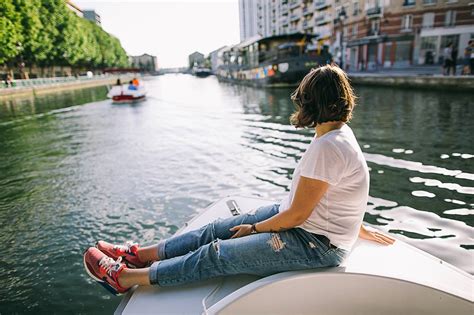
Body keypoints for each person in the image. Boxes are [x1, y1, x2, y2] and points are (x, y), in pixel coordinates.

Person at [83, 65, 395, 295]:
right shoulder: (338, 135)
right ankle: (139, 255)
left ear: (311, 102)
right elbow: (341, 192)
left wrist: (255, 230)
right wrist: (354, 225)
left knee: (218, 252)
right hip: (314, 228)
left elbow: (298, 215)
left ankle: (124, 278)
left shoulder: (328, 147)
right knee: (218, 228)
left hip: (315, 244)